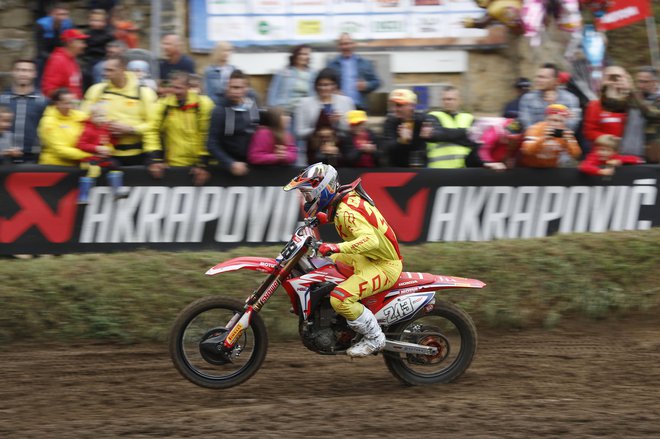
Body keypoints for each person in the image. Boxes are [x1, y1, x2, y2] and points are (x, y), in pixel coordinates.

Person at [283, 163, 403, 357]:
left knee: (341, 299)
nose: (306, 200)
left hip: (383, 265)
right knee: (321, 263)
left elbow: (369, 239)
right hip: (368, 258)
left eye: (308, 195)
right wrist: (322, 218)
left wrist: (335, 247)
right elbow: (345, 217)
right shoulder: (344, 200)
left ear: (322, 191)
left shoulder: (346, 212)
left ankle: (375, 338)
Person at [82, 55, 158, 166]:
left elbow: (153, 125)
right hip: (105, 155)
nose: (105, 74)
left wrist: (132, 129)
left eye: (110, 70)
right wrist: (102, 127)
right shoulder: (97, 90)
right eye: (105, 70)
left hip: (137, 154)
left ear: (123, 69)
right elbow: (83, 119)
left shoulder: (144, 93)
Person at [143, 71, 215, 185]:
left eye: (178, 88)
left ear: (188, 87)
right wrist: (154, 159)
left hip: (201, 166)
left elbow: (207, 133)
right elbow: (151, 130)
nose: (174, 91)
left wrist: (203, 164)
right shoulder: (163, 105)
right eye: (172, 87)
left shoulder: (203, 104)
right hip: (175, 166)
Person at [295, 67, 355, 166]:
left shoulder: (347, 102)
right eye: (320, 85)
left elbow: (352, 130)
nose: (323, 88)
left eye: (327, 85)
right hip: (314, 152)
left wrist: (338, 122)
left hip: (341, 151)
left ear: (335, 86)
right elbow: (299, 133)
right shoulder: (304, 103)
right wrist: (320, 127)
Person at [206, 70, 260, 176]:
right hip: (229, 170)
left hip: (252, 166)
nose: (234, 91)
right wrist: (230, 163)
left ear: (246, 89)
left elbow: (257, 130)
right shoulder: (219, 111)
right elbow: (212, 144)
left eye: (238, 88)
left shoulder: (253, 105)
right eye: (231, 87)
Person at [75, 104, 127, 203]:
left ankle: (116, 191)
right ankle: (83, 196)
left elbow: (111, 142)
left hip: (102, 158)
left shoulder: (105, 128)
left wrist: (116, 138)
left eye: (103, 116)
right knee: (92, 171)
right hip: (90, 158)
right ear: (91, 117)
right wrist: (96, 148)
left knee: (115, 165)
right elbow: (81, 144)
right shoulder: (88, 129)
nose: (101, 119)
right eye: (98, 116)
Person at [0, 59, 48, 163]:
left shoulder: (42, 101)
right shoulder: (2, 99)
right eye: (19, 70)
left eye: (27, 71)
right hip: (4, 157)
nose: (23, 74)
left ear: (34, 74)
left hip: (33, 158)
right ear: (13, 72)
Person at [382, 89, 439, 167]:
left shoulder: (421, 119)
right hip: (397, 169)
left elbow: (439, 132)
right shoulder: (390, 122)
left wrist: (431, 133)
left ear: (412, 106)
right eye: (393, 105)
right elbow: (385, 149)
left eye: (399, 105)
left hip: (419, 168)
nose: (395, 109)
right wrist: (400, 141)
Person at [518, 63, 581, 132]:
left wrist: (553, 105)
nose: (538, 80)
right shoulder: (527, 98)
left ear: (556, 81)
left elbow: (572, 124)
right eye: (537, 77)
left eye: (543, 77)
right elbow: (527, 125)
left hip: (561, 140)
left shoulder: (570, 98)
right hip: (536, 140)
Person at [326, 33, 381, 111]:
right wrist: (333, 91)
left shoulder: (364, 63)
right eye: (342, 44)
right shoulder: (331, 64)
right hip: (339, 107)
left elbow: (377, 82)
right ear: (338, 47)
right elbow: (325, 84)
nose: (345, 47)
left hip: (359, 107)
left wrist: (367, 85)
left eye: (348, 43)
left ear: (353, 45)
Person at [38, 88, 89, 166]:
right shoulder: (48, 122)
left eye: (71, 103)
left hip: (77, 165)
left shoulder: (79, 116)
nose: (70, 106)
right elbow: (59, 150)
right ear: (57, 104)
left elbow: (96, 127)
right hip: (54, 166)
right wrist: (88, 156)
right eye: (66, 103)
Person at [519, 104, 581, 168]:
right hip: (530, 168)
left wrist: (569, 142)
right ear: (546, 119)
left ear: (565, 122)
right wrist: (543, 139)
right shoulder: (535, 129)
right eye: (553, 120)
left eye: (560, 121)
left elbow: (576, 155)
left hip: (551, 168)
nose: (555, 124)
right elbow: (527, 151)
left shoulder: (565, 132)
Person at [267, 44, 316, 115]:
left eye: (307, 54)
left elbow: (315, 95)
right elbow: (273, 91)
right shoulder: (283, 72)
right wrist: (273, 110)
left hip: (303, 113)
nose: (305, 57)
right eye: (302, 54)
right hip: (283, 112)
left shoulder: (313, 73)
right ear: (295, 56)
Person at [41, 29, 89, 99]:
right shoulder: (57, 60)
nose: (84, 45)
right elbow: (49, 90)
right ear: (70, 42)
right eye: (81, 42)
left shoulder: (73, 60)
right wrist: (69, 100)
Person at [35, 3, 73, 80]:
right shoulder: (41, 25)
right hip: (45, 54)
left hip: (61, 54)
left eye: (65, 15)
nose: (63, 18)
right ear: (52, 14)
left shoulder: (68, 24)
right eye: (60, 14)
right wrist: (52, 57)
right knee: (40, 63)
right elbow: (40, 48)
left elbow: (69, 45)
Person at [81, 9, 114, 91]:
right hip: (88, 61)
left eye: (99, 21)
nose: (96, 23)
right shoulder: (86, 35)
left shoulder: (108, 36)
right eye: (94, 20)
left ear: (104, 22)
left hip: (102, 60)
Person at [578, 139, 644, 177]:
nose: (603, 153)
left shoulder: (615, 157)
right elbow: (584, 166)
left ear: (614, 152)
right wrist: (600, 171)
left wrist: (619, 161)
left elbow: (638, 160)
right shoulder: (594, 156)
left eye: (608, 150)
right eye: (601, 149)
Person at [635, 66, 660, 163]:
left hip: (655, 151)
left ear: (655, 82)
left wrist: (637, 99)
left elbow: (651, 114)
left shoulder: (638, 98)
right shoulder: (636, 98)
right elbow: (614, 107)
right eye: (639, 81)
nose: (641, 85)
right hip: (634, 150)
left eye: (645, 82)